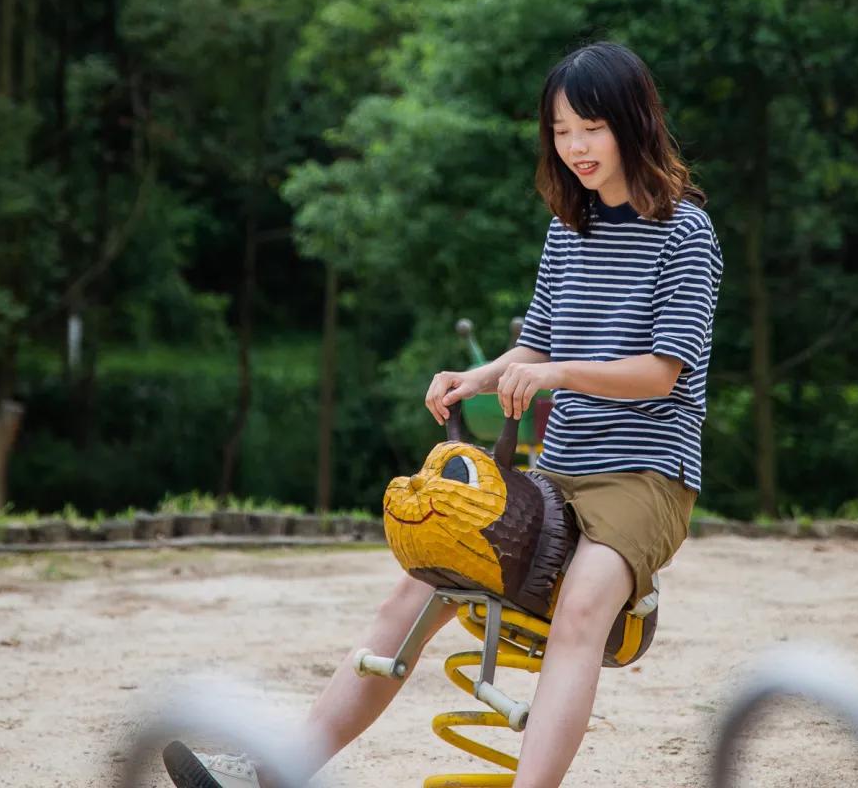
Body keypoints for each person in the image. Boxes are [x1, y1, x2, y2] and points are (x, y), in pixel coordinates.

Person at [163, 40, 724, 788]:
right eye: (560, 131)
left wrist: (554, 373)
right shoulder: (569, 227)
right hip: (558, 473)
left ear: (633, 122)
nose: (575, 147)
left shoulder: (686, 231)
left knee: (584, 605)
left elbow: (660, 375)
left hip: (645, 478)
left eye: (590, 127)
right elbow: (535, 344)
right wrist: (478, 377)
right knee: (421, 576)